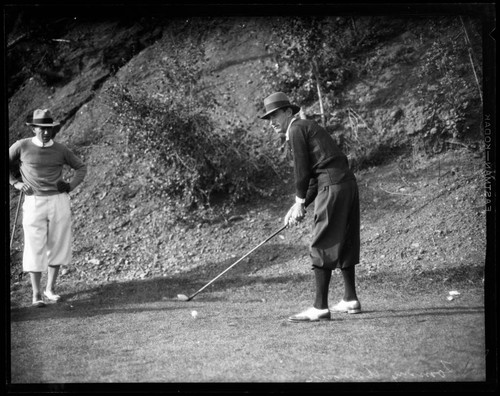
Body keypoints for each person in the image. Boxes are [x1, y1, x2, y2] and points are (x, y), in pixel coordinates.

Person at [260, 92, 361, 322]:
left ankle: (320, 307)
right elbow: (315, 177)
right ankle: (350, 298)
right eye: (268, 118)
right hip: (345, 184)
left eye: (275, 115)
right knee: (345, 240)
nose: (272, 122)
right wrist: (300, 204)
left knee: (321, 241)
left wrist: (299, 202)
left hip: (333, 186)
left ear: (288, 112)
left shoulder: (296, 129)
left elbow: (302, 171)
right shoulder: (306, 127)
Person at [9, 109, 87, 307]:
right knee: (34, 245)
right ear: (33, 128)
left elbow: (81, 167)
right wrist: (16, 183)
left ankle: (50, 289)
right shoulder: (22, 146)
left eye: (49, 129)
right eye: (41, 128)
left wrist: (70, 185)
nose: (45, 132)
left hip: (58, 200)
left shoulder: (61, 149)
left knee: (57, 244)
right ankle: (36, 295)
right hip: (34, 201)